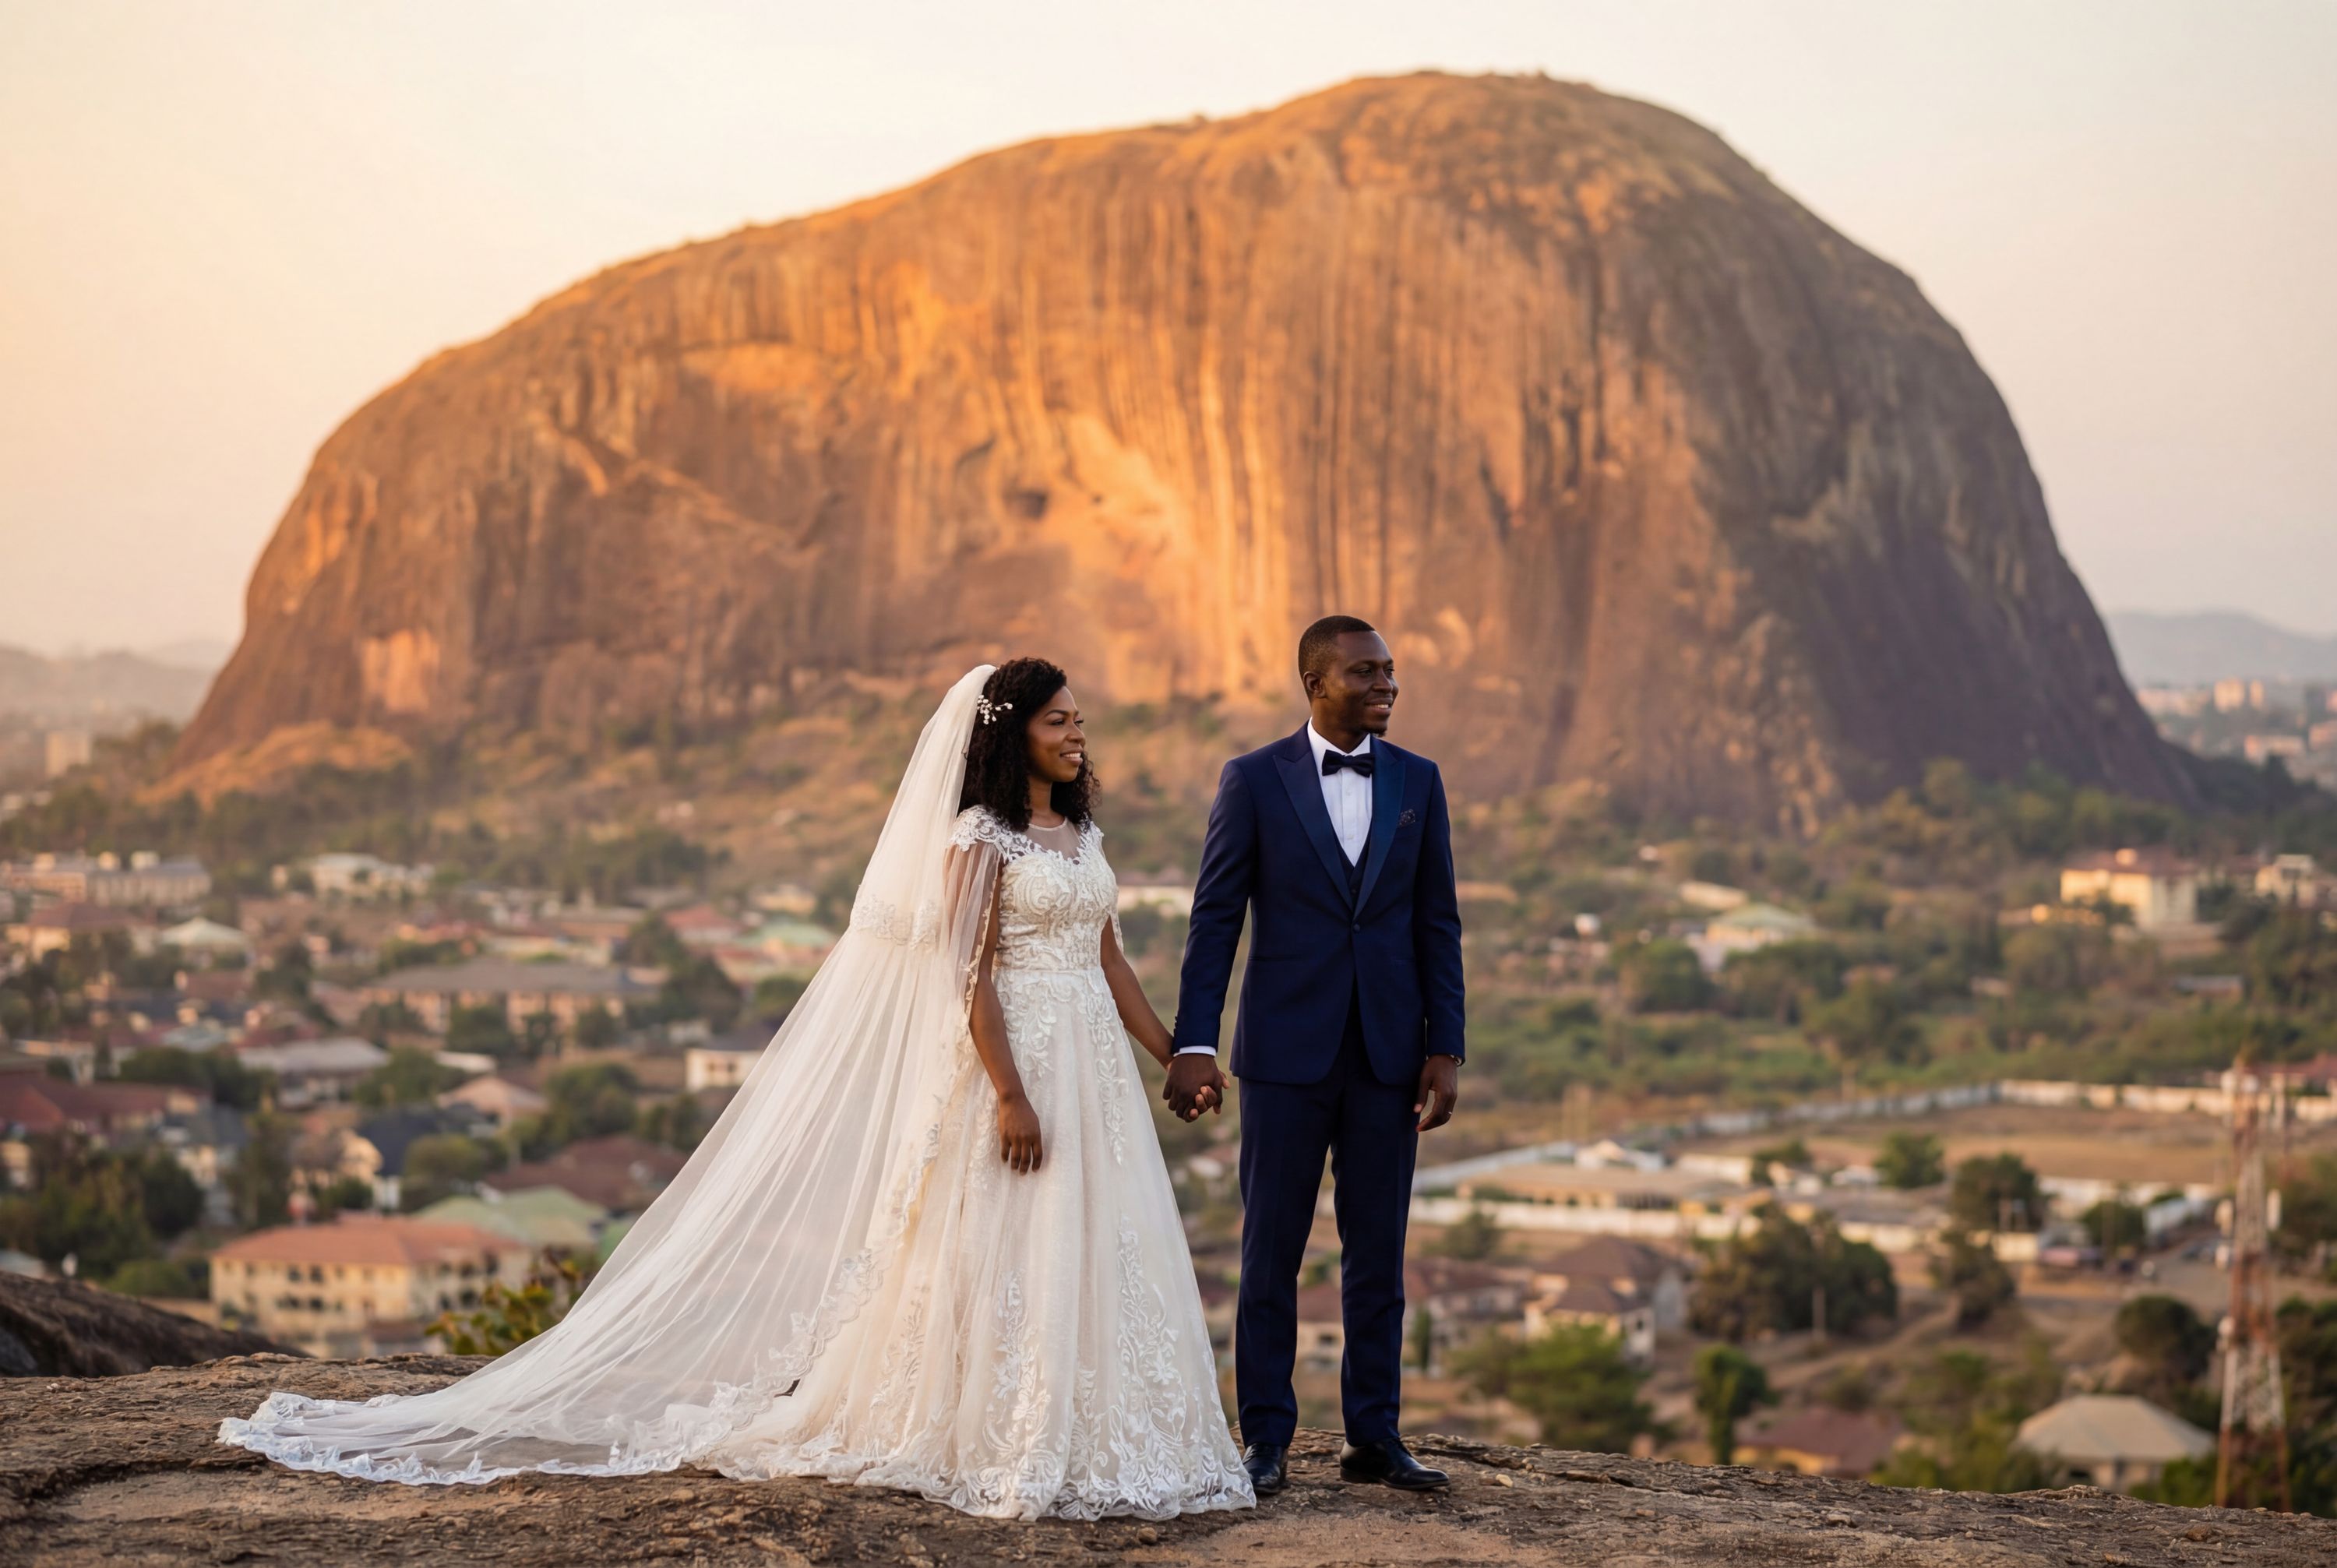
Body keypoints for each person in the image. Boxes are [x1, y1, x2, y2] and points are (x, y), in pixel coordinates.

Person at [219, 660, 1253, 1522]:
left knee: (1095, 1237)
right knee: (1002, 1234)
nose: (1079, 735)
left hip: (1094, 1065)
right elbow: (968, 975)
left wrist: (1171, 1053)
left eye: (1081, 721)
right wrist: (1011, 1094)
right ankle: (995, 1426)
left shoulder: (1081, 835)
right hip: (1013, 1058)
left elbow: (1107, 957)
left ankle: (1093, 1428)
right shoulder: (979, 841)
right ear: (1011, 734)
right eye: (1060, 720)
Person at [1165, 615, 1465, 1496]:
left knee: (1380, 1254)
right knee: (1270, 1255)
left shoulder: (1420, 781)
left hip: (1388, 1057)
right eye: (1367, 673)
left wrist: (1445, 1047)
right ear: (1315, 681)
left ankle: (1374, 1436)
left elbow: (1436, 922)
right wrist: (1195, 1041)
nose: (1387, 687)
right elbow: (1215, 918)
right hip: (1285, 1055)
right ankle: (1265, 1440)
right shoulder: (1254, 780)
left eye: (1392, 673)